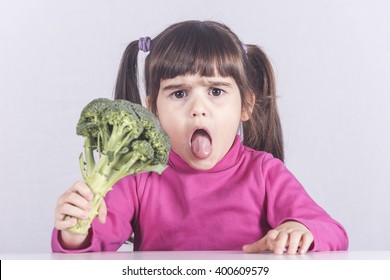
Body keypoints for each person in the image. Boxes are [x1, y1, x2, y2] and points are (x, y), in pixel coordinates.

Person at [52, 20, 348, 254]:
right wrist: (75, 229)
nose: (198, 110)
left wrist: (300, 229)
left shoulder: (265, 173)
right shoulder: (139, 177)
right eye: (179, 93)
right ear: (153, 108)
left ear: (245, 105)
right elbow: (95, 241)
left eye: (216, 92)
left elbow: (331, 230)